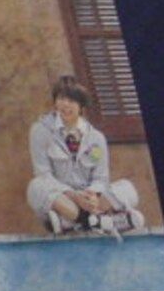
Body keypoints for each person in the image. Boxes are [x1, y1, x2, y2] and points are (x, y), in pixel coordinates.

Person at [26, 76, 144, 239]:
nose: (65, 105)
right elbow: (43, 174)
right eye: (61, 99)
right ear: (55, 101)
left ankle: (74, 222)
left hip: (91, 199)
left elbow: (101, 178)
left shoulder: (96, 138)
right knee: (36, 187)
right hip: (63, 199)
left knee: (128, 189)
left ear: (81, 106)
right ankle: (98, 221)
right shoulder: (40, 130)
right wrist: (73, 195)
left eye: (71, 101)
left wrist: (92, 195)